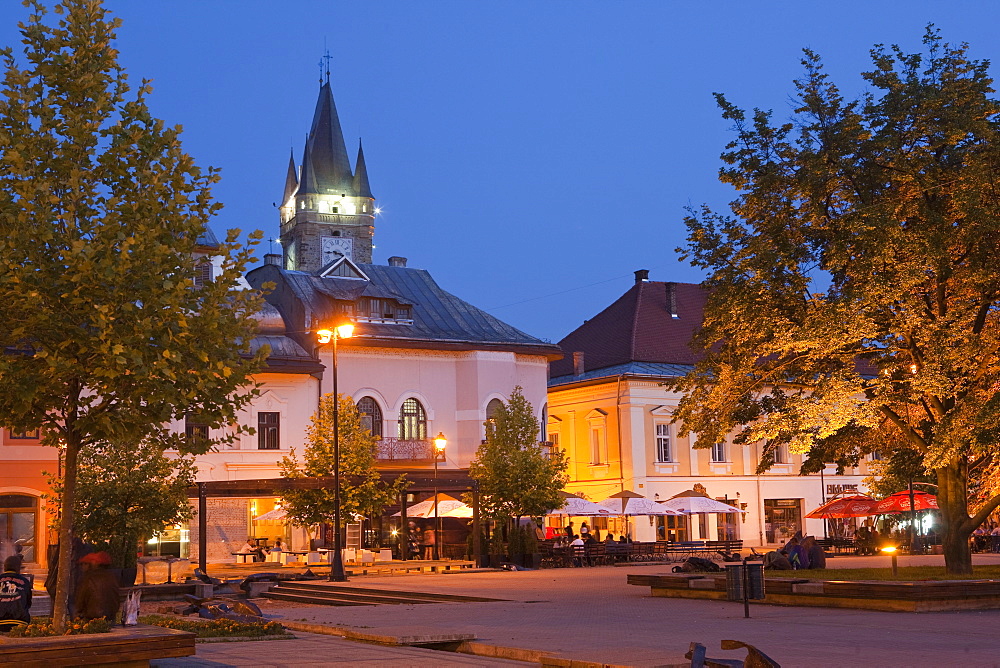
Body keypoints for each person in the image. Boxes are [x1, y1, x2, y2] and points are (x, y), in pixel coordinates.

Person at [75, 551, 120, 622]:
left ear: (92, 564)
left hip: (92, 617)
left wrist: (78, 613)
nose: (82, 567)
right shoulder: (112, 577)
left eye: (84, 564)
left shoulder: (87, 578)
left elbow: (80, 601)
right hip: (110, 616)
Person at [0, 555, 32, 632]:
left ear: (4, 567)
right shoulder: (25, 582)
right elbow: (28, 603)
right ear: (18, 568)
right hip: (20, 621)